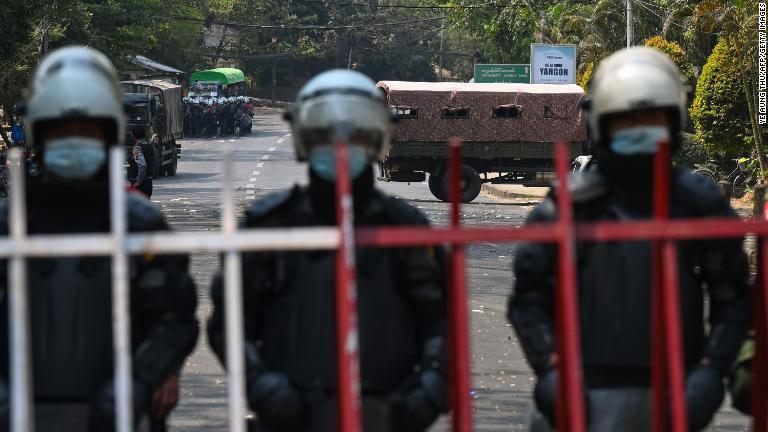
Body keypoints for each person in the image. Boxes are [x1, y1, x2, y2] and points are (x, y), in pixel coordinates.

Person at [508, 46, 750, 432]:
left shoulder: (697, 203)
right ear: (603, 125)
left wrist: (711, 370)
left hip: (675, 391)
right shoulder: (569, 206)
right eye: (627, 122)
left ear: (673, 122)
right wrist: (551, 371)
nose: (640, 130)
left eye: (651, 119)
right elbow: (529, 299)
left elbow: (733, 297)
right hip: (581, 391)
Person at [207, 69, 448, 432]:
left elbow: (441, 320)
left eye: (354, 136)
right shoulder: (269, 227)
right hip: (290, 415)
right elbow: (229, 323)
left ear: (375, 140)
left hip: (387, 413)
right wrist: (263, 388)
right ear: (306, 140)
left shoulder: (404, 229)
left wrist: (427, 393)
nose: (339, 148)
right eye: (325, 137)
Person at [0, 46, 199, 431]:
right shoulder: (9, 228)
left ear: (110, 135)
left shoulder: (140, 225)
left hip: (120, 411)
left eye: (88, 131)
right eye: (61, 131)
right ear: (40, 136)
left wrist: (139, 381)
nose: (74, 142)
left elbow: (174, 319)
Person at [128, 126, 154, 199]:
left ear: (133, 135)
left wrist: (138, 182)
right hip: (148, 183)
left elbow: (142, 166)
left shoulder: (137, 149)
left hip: (140, 185)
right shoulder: (149, 147)